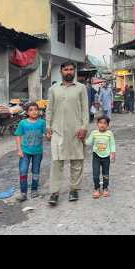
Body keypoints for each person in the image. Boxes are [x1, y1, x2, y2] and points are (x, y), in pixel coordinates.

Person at [46, 62, 89, 205]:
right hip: (57, 131)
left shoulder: (81, 88)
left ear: (74, 71)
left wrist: (84, 127)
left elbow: (84, 109)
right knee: (56, 162)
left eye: (71, 69)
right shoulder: (53, 89)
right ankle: (54, 192)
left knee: (77, 161)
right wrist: (48, 127)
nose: (69, 71)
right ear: (61, 71)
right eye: (66, 69)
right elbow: (49, 110)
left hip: (76, 131)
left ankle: (74, 190)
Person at [14, 102, 47, 201]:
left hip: (37, 152)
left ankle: (34, 190)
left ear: (39, 111)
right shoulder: (23, 123)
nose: (34, 112)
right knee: (23, 171)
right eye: (31, 110)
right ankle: (23, 193)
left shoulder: (42, 122)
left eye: (36, 109)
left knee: (36, 171)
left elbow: (47, 134)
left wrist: (50, 135)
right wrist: (19, 150)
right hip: (25, 152)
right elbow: (18, 136)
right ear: (27, 112)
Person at [86, 115, 116, 199]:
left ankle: (105, 188)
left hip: (106, 156)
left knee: (105, 173)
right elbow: (88, 142)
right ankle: (96, 188)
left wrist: (113, 153)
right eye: (100, 123)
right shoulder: (94, 133)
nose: (102, 125)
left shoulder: (109, 134)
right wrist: (82, 140)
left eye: (104, 123)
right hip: (96, 156)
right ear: (97, 124)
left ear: (107, 125)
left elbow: (112, 144)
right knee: (96, 173)